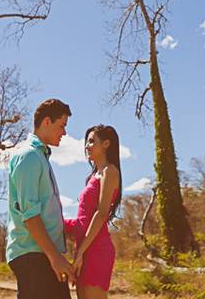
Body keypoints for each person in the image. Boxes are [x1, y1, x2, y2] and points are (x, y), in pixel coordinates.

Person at [6, 98, 76, 299]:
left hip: (43, 254)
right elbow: (30, 215)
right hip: (33, 255)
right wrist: (54, 257)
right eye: (61, 125)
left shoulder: (40, 157)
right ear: (47, 122)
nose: (64, 132)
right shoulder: (28, 156)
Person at [64, 125, 121, 299]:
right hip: (84, 248)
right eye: (86, 142)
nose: (87, 146)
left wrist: (81, 252)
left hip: (96, 249)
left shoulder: (109, 171)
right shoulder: (93, 176)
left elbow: (101, 214)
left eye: (91, 141)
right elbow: (84, 218)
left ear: (106, 143)